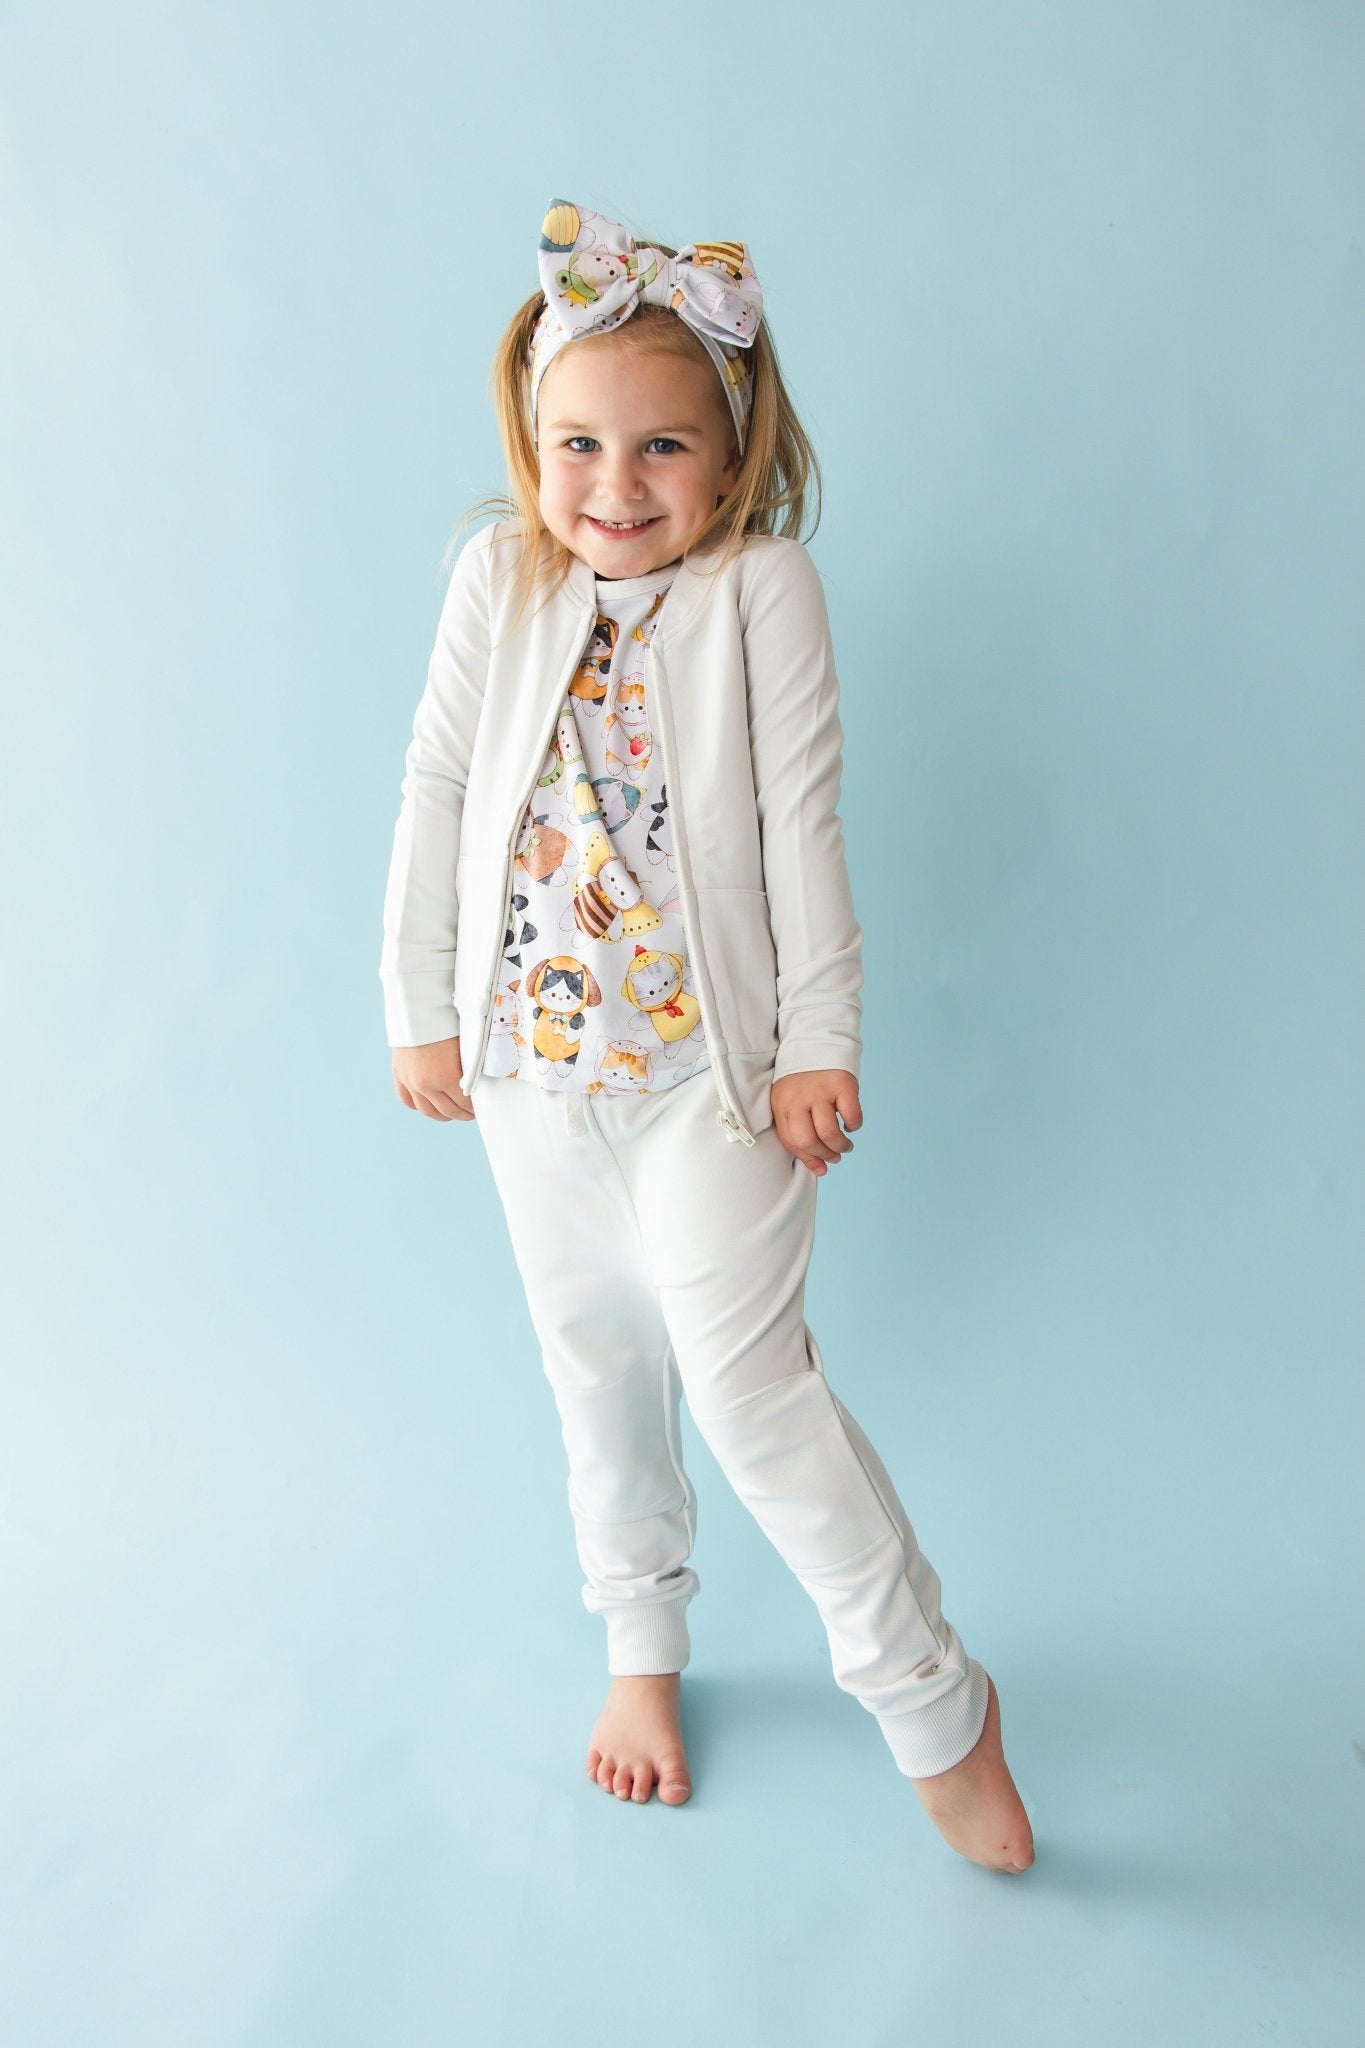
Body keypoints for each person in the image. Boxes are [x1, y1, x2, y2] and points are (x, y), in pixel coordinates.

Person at [379, 199, 1034, 1874]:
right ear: (529, 445)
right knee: (596, 1369)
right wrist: (420, 999)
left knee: (747, 1391)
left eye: (661, 445)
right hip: (532, 1072)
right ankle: (640, 1653)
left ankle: (930, 1700)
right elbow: (439, 787)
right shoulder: (496, 577)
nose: (613, 485)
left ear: (734, 453)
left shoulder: (761, 593)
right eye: (577, 444)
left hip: (714, 1082)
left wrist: (821, 1037)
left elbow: (801, 825)